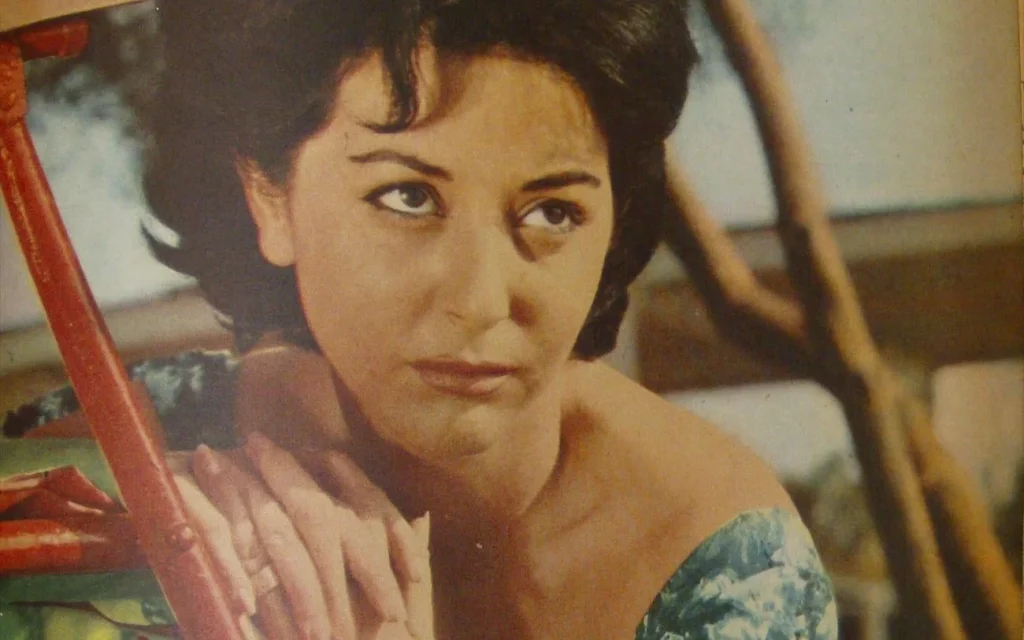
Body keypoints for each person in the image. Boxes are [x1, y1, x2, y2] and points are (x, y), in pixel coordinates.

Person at [0, 0, 838, 638]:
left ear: (614, 222)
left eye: (551, 213)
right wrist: (146, 531)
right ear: (269, 196)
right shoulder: (118, 449)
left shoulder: (726, 570)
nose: (481, 299)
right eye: (407, 197)